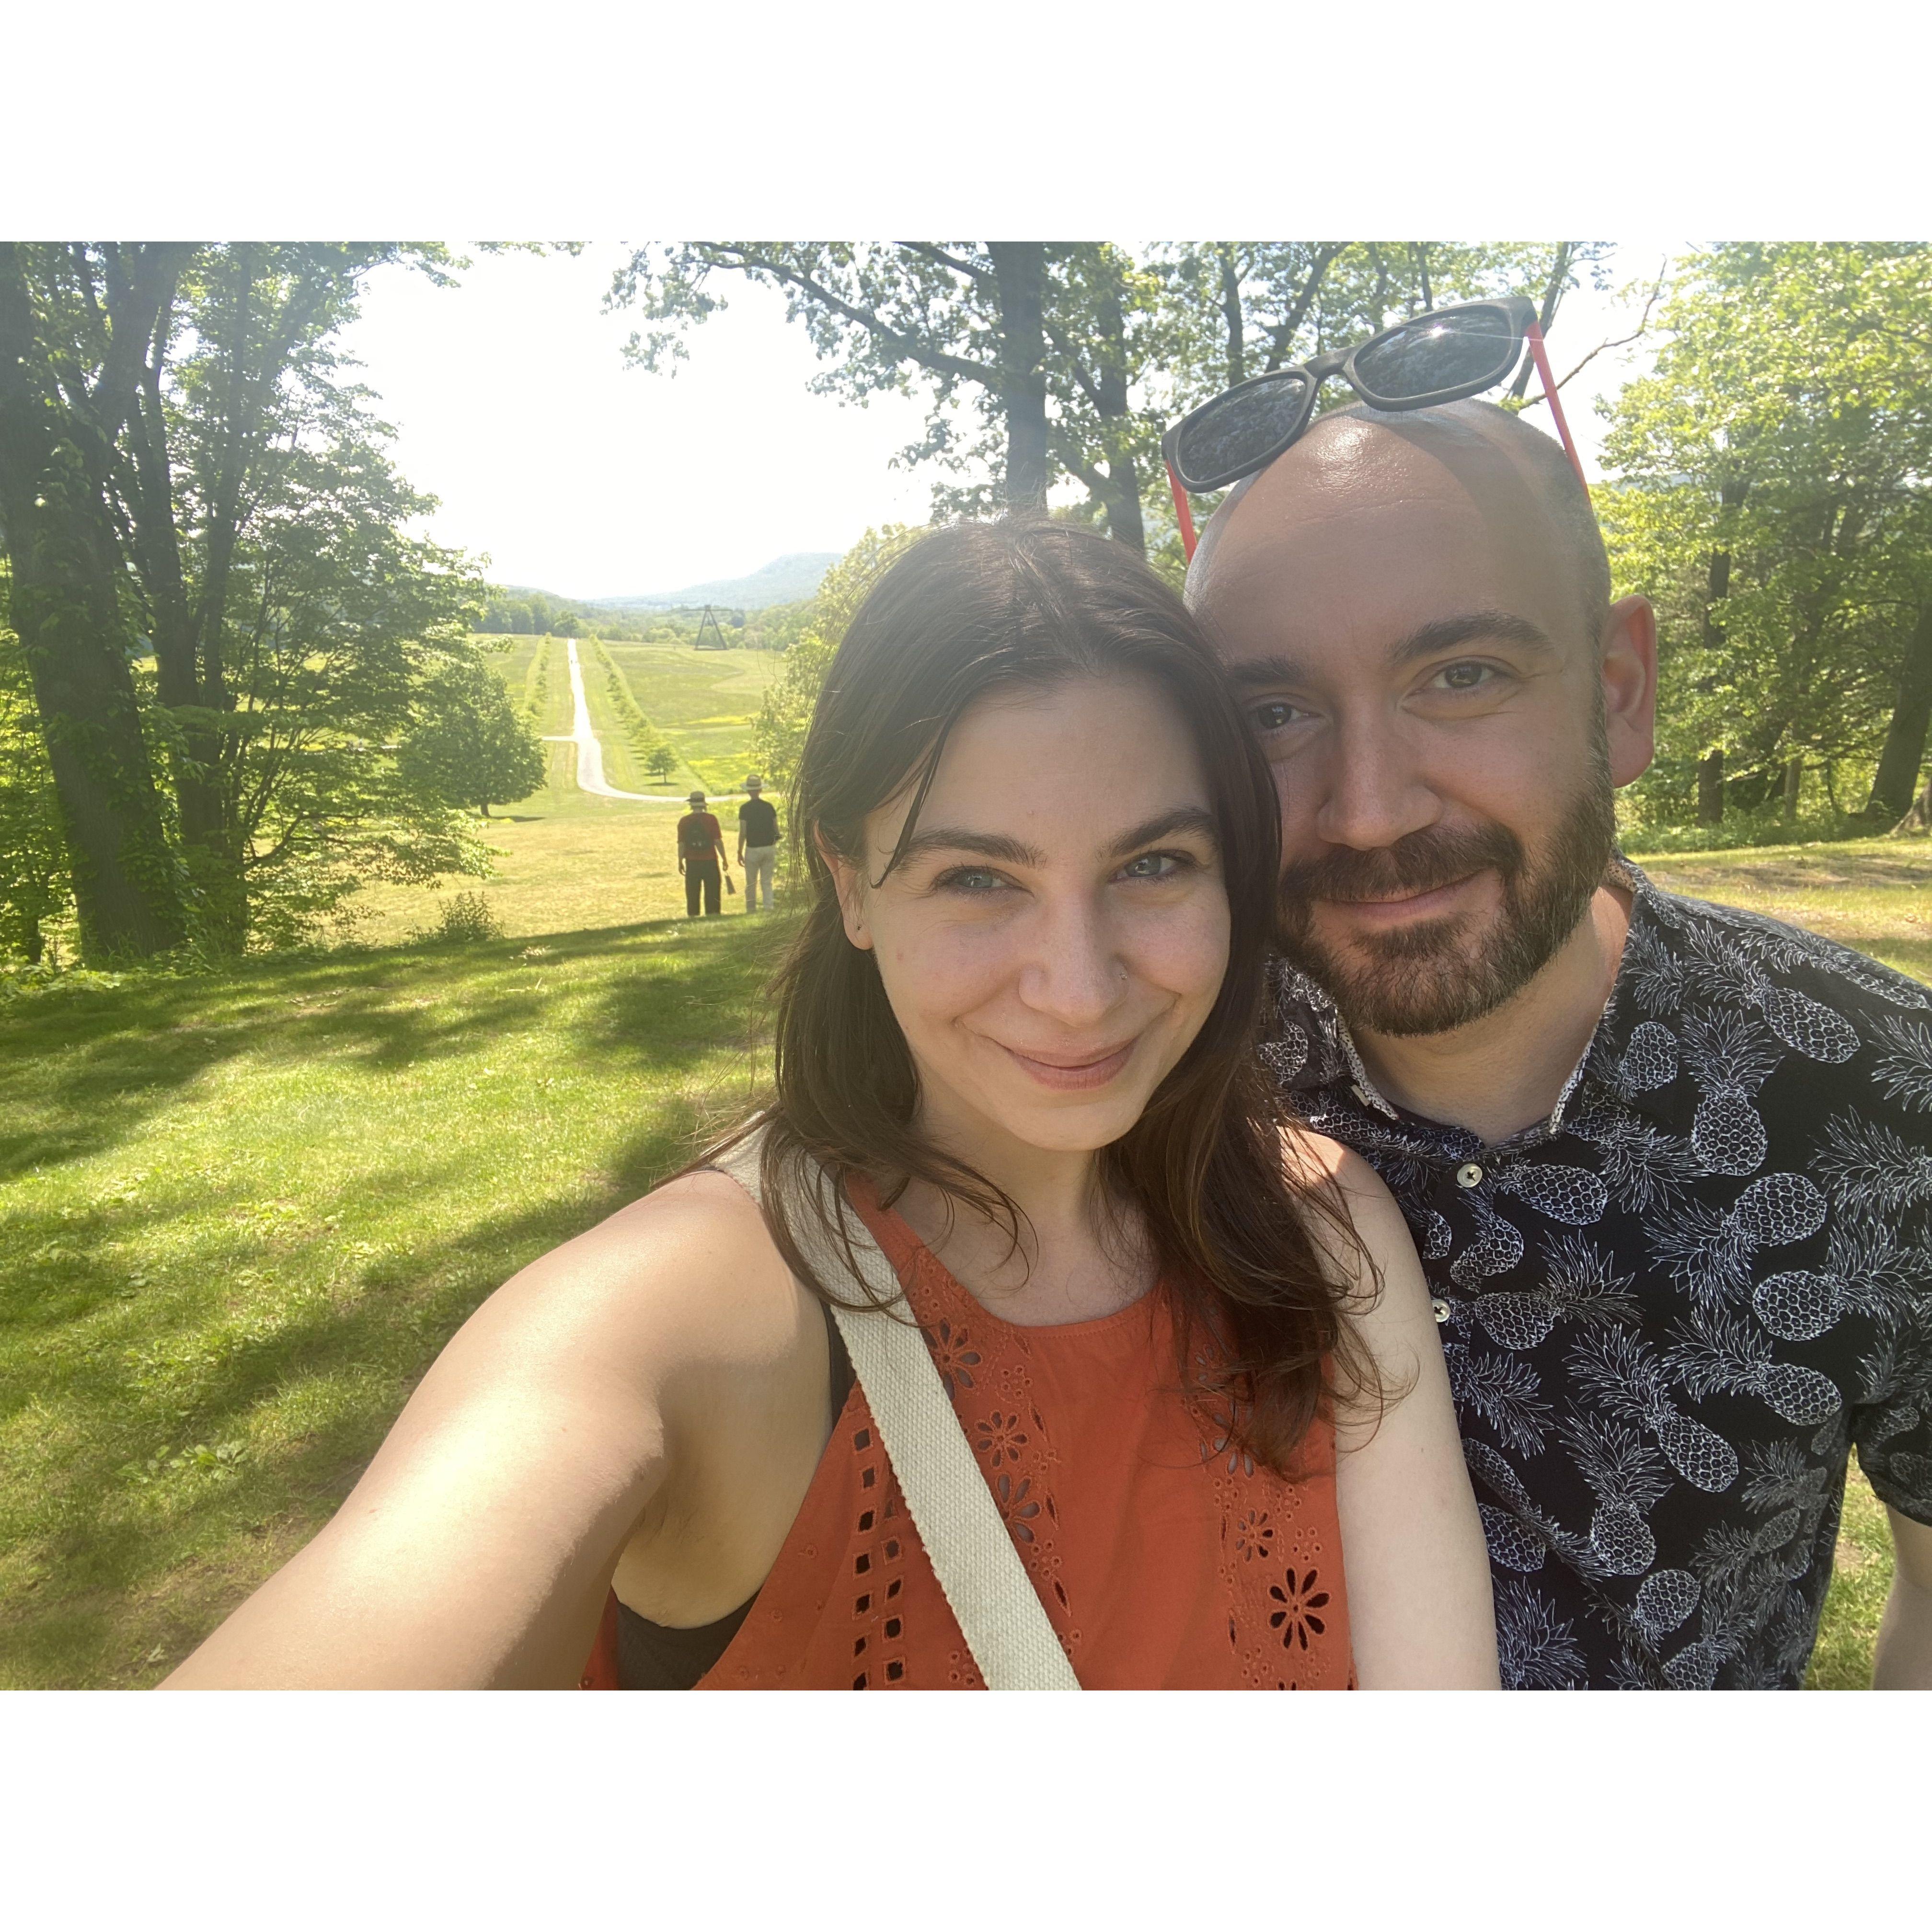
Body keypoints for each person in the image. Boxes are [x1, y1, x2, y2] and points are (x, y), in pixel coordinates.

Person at [162, 519, 1495, 1690]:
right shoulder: (703, 1313)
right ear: (851, 884)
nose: (1080, 989)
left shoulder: (1322, 1237)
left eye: (1153, 863)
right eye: (978, 879)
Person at [1183, 394, 1932, 1690]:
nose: (1368, 811)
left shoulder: (1884, 1099)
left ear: (1619, 690)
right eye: (1275, 716)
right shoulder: (1158, 1066)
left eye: (1460, 676)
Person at [677, 789, 729, 917]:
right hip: (710, 860)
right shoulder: (711, 819)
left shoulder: (684, 821)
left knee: (693, 892)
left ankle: (693, 916)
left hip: (692, 861)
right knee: (713, 891)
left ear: (691, 805)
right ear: (704, 804)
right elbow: (718, 841)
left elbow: (682, 844)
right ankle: (713, 915)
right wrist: (724, 859)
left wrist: (680, 862)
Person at [737, 772, 780, 912]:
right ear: (760, 790)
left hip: (753, 848)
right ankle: (769, 907)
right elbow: (776, 828)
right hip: (769, 847)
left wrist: (739, 850)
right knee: (767, 881)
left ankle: (751, 908)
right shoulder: (769, 807)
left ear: (748, 791)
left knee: (751, 881)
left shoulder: (745, 809)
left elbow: (743, 832)